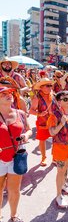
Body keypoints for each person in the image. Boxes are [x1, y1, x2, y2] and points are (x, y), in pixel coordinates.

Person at [0, 86, 32, 222]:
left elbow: (29, 130)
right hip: (0, 159)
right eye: (3, 94)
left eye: (10, 92)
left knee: (14, 190)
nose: (9, 95)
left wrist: (26, 135)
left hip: (16, 157)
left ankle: (14, 216)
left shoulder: (20, 113)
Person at [29, 78, 54, 166]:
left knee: (55, 139)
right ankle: (43, 157)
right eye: (47, 86)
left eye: (50, 85)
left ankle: (54, 157)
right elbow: (31, 111)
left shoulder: (52, 94)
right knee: (42, 140)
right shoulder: (37, 98)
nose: (50, 88)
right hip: (42, 123)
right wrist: (39, 114)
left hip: (53, 122)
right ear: (41, 87)